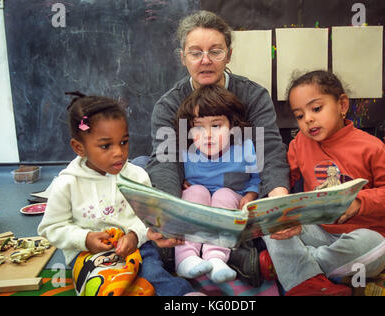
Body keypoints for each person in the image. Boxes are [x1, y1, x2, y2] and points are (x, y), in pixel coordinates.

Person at [145, 10, 289, 283]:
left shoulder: (253, 95)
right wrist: (167, 217)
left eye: (216, 51)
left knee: (284, 179)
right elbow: (165, 159)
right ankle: (197, 250)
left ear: (229, 54)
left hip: (238, 187)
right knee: (144, 167)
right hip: (194, 186)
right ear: (183, 57)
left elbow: (268, 148)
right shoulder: (168, 105)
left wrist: (276, 199)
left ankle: (228, 246)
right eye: (195, 52)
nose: (206, 61)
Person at [38, 92, 200, 296]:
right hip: (89, 255)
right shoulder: (67, 184)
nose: (119, 152)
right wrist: (84, 238)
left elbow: (148, 219)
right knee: (106, 286)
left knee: (153, 274)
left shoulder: (137, 176)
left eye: (123, 142)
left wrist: (134, 235)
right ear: (79, 147)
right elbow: (51, 227)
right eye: (106, 146)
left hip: (138, 248)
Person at [263, 70, 385, 296]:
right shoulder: (300, 143)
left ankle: (297, 268)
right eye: (300, 116)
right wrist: (280, 212)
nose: (308, 119)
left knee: (372, 247)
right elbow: (283, 179)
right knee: (269, 222)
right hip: (318, 231)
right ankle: (311, 279)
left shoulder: (370, 146)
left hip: (366, 234)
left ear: (342, 105)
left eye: (316, 109)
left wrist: (359, 202)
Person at [174, 84, 261, 283]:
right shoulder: (186, 154)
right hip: (199, 206)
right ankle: (186, 258)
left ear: (232, 125)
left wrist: (251, 194)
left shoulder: (245, 148)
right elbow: (175, 176)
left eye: (216, 125)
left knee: (224, 194)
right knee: (195, 192)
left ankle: (216, 258)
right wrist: (181, 184)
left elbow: (256, 178)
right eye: (198, 126)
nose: (208, 134)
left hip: (229, 204)